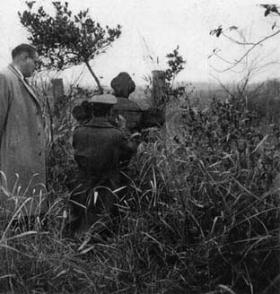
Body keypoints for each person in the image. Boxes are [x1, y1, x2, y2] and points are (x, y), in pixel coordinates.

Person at [70, 94, 138, 233]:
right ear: (110, 112)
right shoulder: (116, 134)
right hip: (108, 182)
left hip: (82, 181)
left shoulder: (78, 131)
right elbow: (131, 150)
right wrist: (123, 128)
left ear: (93, 110)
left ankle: (79, 234)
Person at [0, 44, 47, 221]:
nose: (36, 67)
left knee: (25, 205)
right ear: (24, 58)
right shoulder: (5, 78)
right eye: (35, 62)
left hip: (22, 157)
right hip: (13, 156)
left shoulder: (17, 79)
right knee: (14, 207)